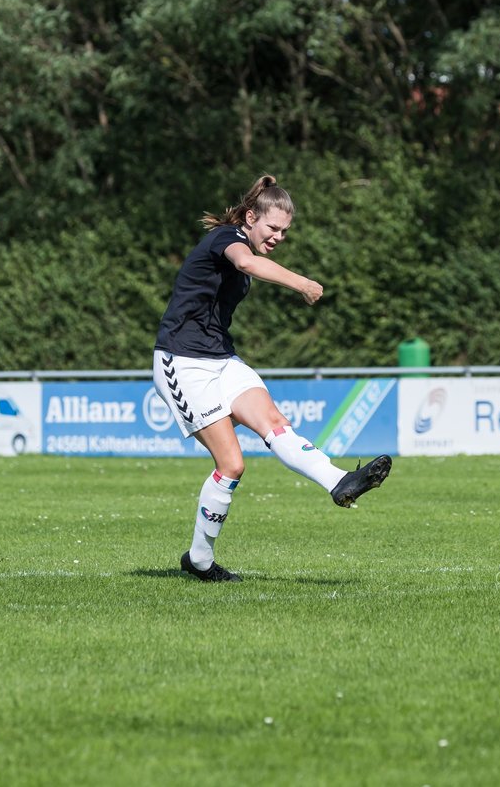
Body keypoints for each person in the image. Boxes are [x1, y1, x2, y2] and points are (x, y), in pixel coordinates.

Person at [152, 175, 392, 582]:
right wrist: (300, 282)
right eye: (272, 228)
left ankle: (339, 481)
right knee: (231, 465)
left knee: (275, 424)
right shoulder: (227, 238)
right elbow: (246, 261)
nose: (279, 236)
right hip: (182, 362)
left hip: (222, 361)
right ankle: (200, 560)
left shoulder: (242, 242)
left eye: (285, 231)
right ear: (250, 218)